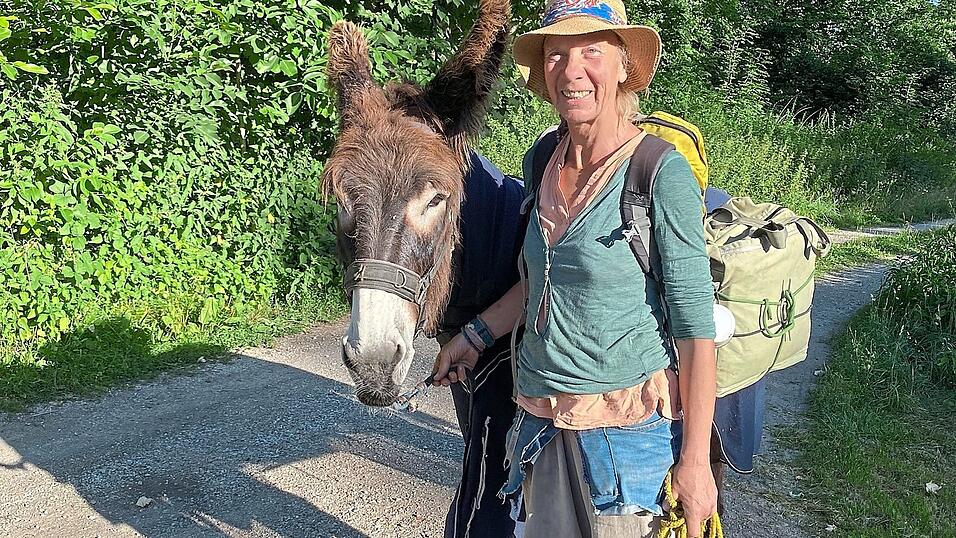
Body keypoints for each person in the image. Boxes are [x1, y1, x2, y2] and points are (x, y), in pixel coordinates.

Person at [433, 0, 719, 536]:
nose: (572, 70)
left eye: (591, 51)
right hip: (539, 422)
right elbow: (542, 279)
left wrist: (696, 464)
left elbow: (696, 330)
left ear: (622, 65)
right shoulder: (542, 157)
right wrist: (473, 334)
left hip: (623, 439)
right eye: (557, 54)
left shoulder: (658, 173)